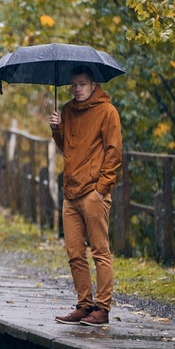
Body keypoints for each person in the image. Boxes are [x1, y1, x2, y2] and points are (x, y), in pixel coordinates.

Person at [47, 65, 122, 327]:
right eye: (74, 85)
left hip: (93, 193)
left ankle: (102, 308)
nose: (77, 89)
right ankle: (84, 304)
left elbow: (114, 153)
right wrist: (56, 129)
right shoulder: (67, 110)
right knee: (75, 253)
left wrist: (102, 189)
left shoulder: (107, 112)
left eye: (82, 84)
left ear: (93, 85)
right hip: (71, 192)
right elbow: (66, 147)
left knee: (100, 252)